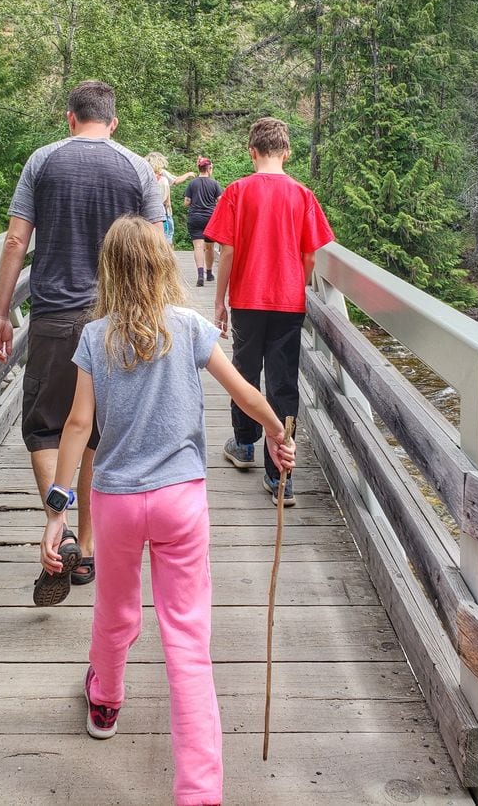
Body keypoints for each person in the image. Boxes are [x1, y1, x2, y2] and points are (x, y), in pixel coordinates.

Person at [39, 216, 295, 806]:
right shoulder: (190, 327)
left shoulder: (94, 337)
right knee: (185, 639)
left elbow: (78, 425)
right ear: (163, 266)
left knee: (116, 611)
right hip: (182, 501)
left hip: (119, 504)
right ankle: (200, 792)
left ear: (109, 270)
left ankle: (104, 701)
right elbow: (245, 392)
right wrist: (277, 432)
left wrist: (59, 508)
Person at [0, 80, 165, 606]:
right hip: (116, 319)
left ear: (71, 118)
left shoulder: (42, 161)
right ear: (113, 121)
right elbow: (156, 247)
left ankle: (58, 525)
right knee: (94, 433)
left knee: (45, 426)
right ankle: (85, 550)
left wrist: (1, 312)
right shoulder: (137, 167)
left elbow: (17, 238)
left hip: (55, 317)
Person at [204, 117, 334, 507]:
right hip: (287, 303)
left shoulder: (237, 192)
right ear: (287, 152)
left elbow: (225, 251)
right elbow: (311, 255)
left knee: (245, 373)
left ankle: (244, 444)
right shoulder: (303, 194)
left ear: (252, 151)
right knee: (283, 383)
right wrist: (296, 280)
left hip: (246, 299)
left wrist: (218, 302)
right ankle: (280, 476)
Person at [184, 157, 223, 287]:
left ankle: (200, 274)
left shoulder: (192, 183)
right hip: (210, 219)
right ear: (209, 168)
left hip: (195, 218)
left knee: (198, 247)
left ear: (199, 168)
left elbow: (187, 202)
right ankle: (209, 273)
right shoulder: (214, 184)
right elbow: (221, 201)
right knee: (210, 247)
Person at [145, 153, 174, 244]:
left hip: (146, 213)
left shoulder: (144, 178)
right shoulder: (163, 180)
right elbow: (167, 201)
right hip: (161, 212)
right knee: (165, 239)